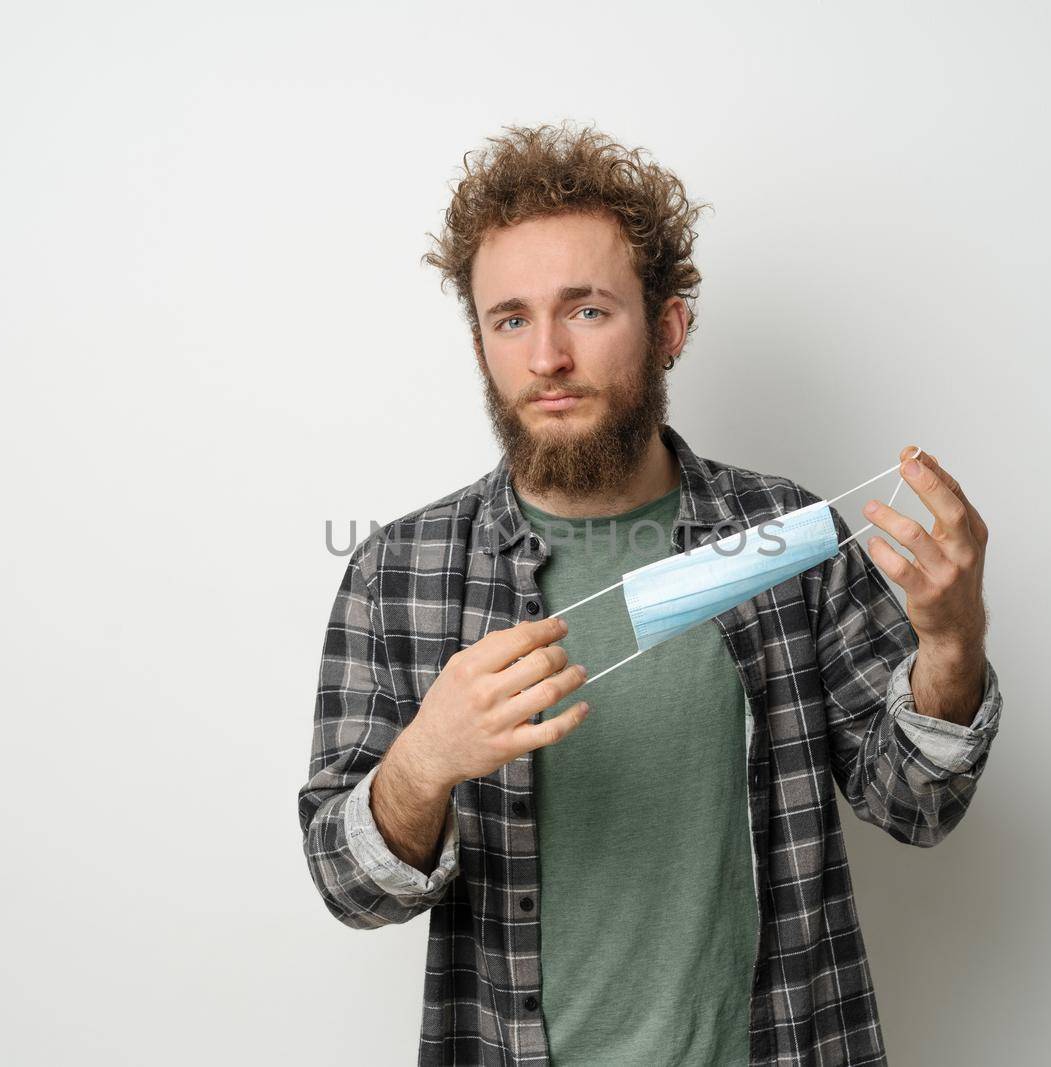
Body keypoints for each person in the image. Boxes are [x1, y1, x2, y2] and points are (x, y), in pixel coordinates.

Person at [299, 121, 1003, 1066]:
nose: (546, 355)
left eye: (586, 310)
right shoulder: (399, 571)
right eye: (510, 319)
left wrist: (952, 648)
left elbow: (914, 804)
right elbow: (352, 887)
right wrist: (425, 760)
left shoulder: (785, 532)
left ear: (667, 326)